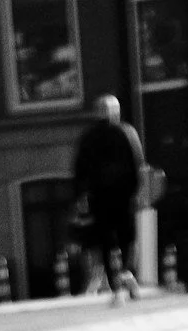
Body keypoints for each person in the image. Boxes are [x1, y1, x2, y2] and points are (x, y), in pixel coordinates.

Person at [69, 95, 144, 302]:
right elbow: (137, 162)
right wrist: (136, 191)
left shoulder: (88, 138)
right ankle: (127, 272)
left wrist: (79, 196)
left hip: (99, 197)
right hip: (123, 196)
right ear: (116, 111)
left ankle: (114, 283)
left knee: (105, 241)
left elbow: (79, 170)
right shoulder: (127, 132)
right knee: (128, 237)